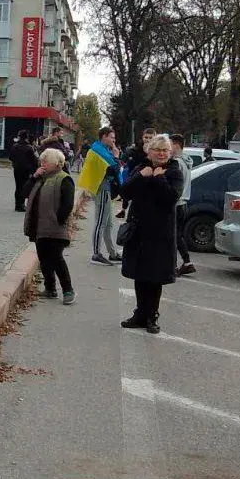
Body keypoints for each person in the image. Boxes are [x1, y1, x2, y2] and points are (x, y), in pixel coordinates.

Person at [119, 134, 184, 334]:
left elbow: (171, 198)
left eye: (165, 150)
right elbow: (125, 192)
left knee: (155, 276)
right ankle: (139, 313)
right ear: (150, 151)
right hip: (139, 230)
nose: (162, 153)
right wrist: (142, 176)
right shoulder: (142, 167)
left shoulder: (174, 172)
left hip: (161, 232)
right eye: (158, 150)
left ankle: (152, 316)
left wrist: (159, 178)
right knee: (140, 273)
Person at [24, 148, 76, 304]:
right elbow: (24, 192)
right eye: (41, 161)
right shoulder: (41, 178)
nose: (42, 164)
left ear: (55, 163)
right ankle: (50, 287)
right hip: (39, 227)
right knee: (43, 258)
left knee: (56, 258)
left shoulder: (64, 178)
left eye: (45, 161)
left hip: (55, 228)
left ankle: (68, 289)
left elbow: (68, 203)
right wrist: (33, 177)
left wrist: (58, 220)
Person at [89, 126, 123, 266]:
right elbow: (113, 169)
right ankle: (96, 253)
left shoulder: (102, 149)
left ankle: (112, 252)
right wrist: (116, 156)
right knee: (101, 223)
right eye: (111, 137)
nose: (113, 141)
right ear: (103, 136)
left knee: (108, 223)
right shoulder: (99, 151)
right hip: (101, 188)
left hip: (105, 188)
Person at [170, 134, 196, 276]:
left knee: (173, 235)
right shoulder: (186, 161)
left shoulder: (178, 163)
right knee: (177, 235)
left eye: (170, 145)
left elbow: (175, 185)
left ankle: (172, 266)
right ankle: (187, 262)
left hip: (177, 203)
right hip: (183, 203)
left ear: (177, 145)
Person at [117, 128, 155, 219]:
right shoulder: (135, 150)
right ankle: (124, 210)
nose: (148, 140)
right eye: (146, 137)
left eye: (151, 138)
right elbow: (124, 160)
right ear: (142, 137)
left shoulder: (157, 151)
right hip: (135, 179)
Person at [9, 130, 39, 212]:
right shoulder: (29, 148)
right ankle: (21, 204)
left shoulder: (14, 146)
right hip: (26, 170)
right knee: (24, 187)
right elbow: (34, 161)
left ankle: (17, 204)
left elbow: (10, 158)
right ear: (26, 138)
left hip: (17, 169)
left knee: (18, 186)